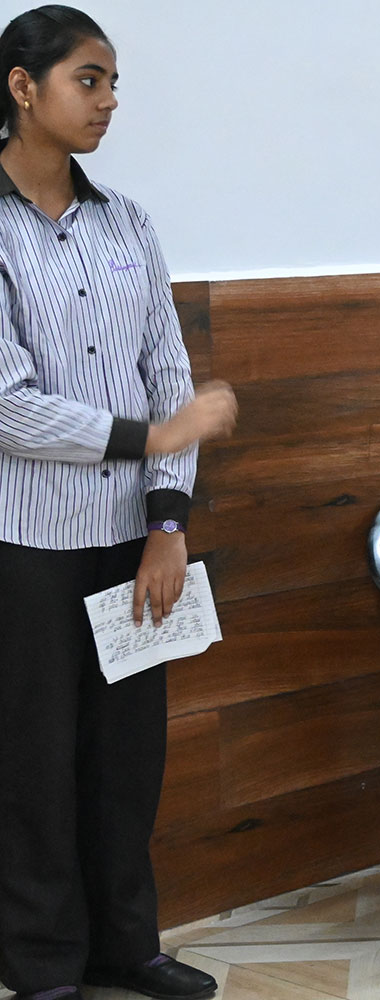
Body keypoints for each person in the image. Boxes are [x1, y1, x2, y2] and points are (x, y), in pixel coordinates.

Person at [0, 8, 237, 1000]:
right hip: (26, 545)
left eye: (112, 83)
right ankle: (42, 963)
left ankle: (126, 947)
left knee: (127, 757)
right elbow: (9, 407)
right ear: (23, 87)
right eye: (87, 80)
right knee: (35, 761)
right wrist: (154, 439)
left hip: (136, 539)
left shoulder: (128, 222)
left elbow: (169, 371)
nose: (107, 102)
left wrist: (167, 524)